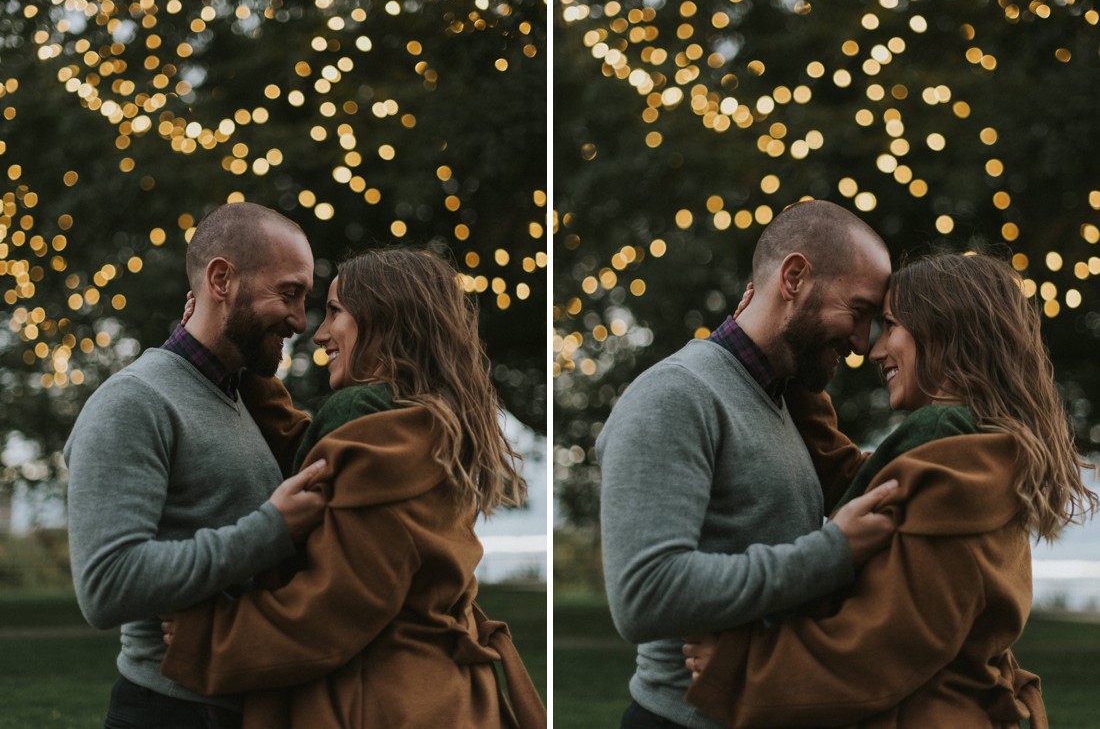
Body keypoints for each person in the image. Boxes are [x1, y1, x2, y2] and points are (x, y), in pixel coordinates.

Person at [684, 252, 1099, 727]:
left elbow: (881, 649)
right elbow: (859, 484)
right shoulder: (975, 449)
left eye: (890, 325)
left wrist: (737, 668)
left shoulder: (953, 457)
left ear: (944, 329)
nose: (873, 351)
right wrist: (789, 359)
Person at [158, 248, 546, 728]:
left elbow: (334, 610)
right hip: (440, 695)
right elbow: (317, 456)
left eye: (336, 312)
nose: (318, 333)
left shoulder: (369, 419)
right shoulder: (423, 422)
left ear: (384, 320)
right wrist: (240, 360)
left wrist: (209, 637)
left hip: (380, 702)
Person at [598, 200, 900, 729]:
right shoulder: (676, 395)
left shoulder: (785, 399)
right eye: (858, 312)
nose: (860, 343)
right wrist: (833, 550)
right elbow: (645, 595)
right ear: (795, 277)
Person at [65, 202, 328, 729]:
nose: (301, 320)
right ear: (221, 278)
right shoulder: (133, 402)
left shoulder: (240, 394)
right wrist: (270, 529)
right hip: (171, 710)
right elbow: (106, 586)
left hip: (244, 703)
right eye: (289, 293)